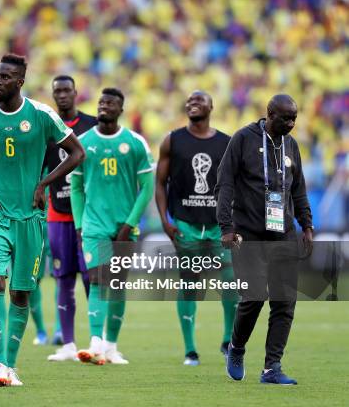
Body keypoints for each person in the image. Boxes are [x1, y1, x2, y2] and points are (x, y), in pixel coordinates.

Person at [0, 54, 85, 386]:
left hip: (30, 216)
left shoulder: (41, 115)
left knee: (21, 293)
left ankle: (10, 366)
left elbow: (77, 153)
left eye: (5, 77)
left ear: (20, 82)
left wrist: (44, 183)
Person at [216, 94, 313, 385]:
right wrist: (225, 227)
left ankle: (272, 368)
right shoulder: (243, 139)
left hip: (282, 233)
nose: (291, 123)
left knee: (285, 302)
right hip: (248, 233)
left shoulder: (291, 145)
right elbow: (225, 182)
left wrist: (306, 224)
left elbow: (298, 188)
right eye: (286, 118)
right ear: (269, 113)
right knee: (255, 295)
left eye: (294, 118)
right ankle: (237, 347)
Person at [155, 91, 238, 366]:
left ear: (211, 107)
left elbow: (233, 187)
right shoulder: (172, 140)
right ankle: (190, 350)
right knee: (190, 283)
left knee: (230, 282)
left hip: (217, 228)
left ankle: (228, 340)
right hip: (186, 226)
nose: (193, 104)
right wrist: (165, 221)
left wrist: (232, 223)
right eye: (189, 101)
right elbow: (160, 183)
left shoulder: (226, 143)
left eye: (199, 100)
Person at [72, 88, 154, 365]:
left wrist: (130, 223)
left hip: (124, 226)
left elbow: (147, 188)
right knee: (97, 278)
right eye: (101, 102)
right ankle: (95, 342)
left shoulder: (134, 143)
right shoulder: (82, 142)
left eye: (111, 103)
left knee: (117, 284)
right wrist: (80, 223)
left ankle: (111, 347)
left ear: (121, 110)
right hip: (94, 225)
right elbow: (76, 188)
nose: (104, 106)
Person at [46, 75, 97, 362]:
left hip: (88, 217)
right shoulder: (47, 128)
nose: (62, 95)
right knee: (63, 278)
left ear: (76, 92)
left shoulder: (91, 126)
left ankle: (95, 340)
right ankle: (67, 344)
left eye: (67, 90)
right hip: (57, 213)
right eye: (58, 91)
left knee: (91, 278)